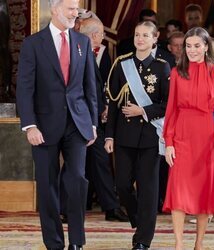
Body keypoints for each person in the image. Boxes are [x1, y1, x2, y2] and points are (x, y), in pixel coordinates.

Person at [16, 0, 98, 249]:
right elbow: (25, 88)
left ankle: (77, 242)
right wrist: (29, 125)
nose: (75, 14)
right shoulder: (33, 43)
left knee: (77, 180)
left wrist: (92, 123)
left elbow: (89, 88)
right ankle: (54, 243)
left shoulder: (82, 42)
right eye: (70, 9)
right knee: (48, 185)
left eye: (77, 9)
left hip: (77, 124)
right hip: (43, 126)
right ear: (54, 9)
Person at [162, 27, 214, 250]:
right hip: (182, 134)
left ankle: (199, 244)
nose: (192, 50)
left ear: (206, 46)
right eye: (188, 46)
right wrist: (168, 142)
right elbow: (171, 110)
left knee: (204, 191)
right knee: (178, 189)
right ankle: (179, 244)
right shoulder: (177, 72)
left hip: (207, 136)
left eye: (197, 45)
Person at [105, 21, 170, 250]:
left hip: (151, 137)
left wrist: (143, 110)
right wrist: (109, 136)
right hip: (124, 136)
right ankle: (137, 217)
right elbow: (112, 104)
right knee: (122, 184)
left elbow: (168, 105)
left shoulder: (163, 67)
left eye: (145, 35)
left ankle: (142, 240)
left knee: (149, 191)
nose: (140, 39)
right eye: (136, 35)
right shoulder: (121, 64)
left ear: (155, 38)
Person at [60, 15, 128, 223]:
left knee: (98, 162)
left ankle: (110, 207)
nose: (103, 37)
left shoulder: (88, 52)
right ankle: (65, 208)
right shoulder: (75, 53)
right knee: (74, 164)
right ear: (95, 35)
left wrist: (103, 107)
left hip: (92, 118)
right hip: (79, 120)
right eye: (101, 34)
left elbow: (94, 87)